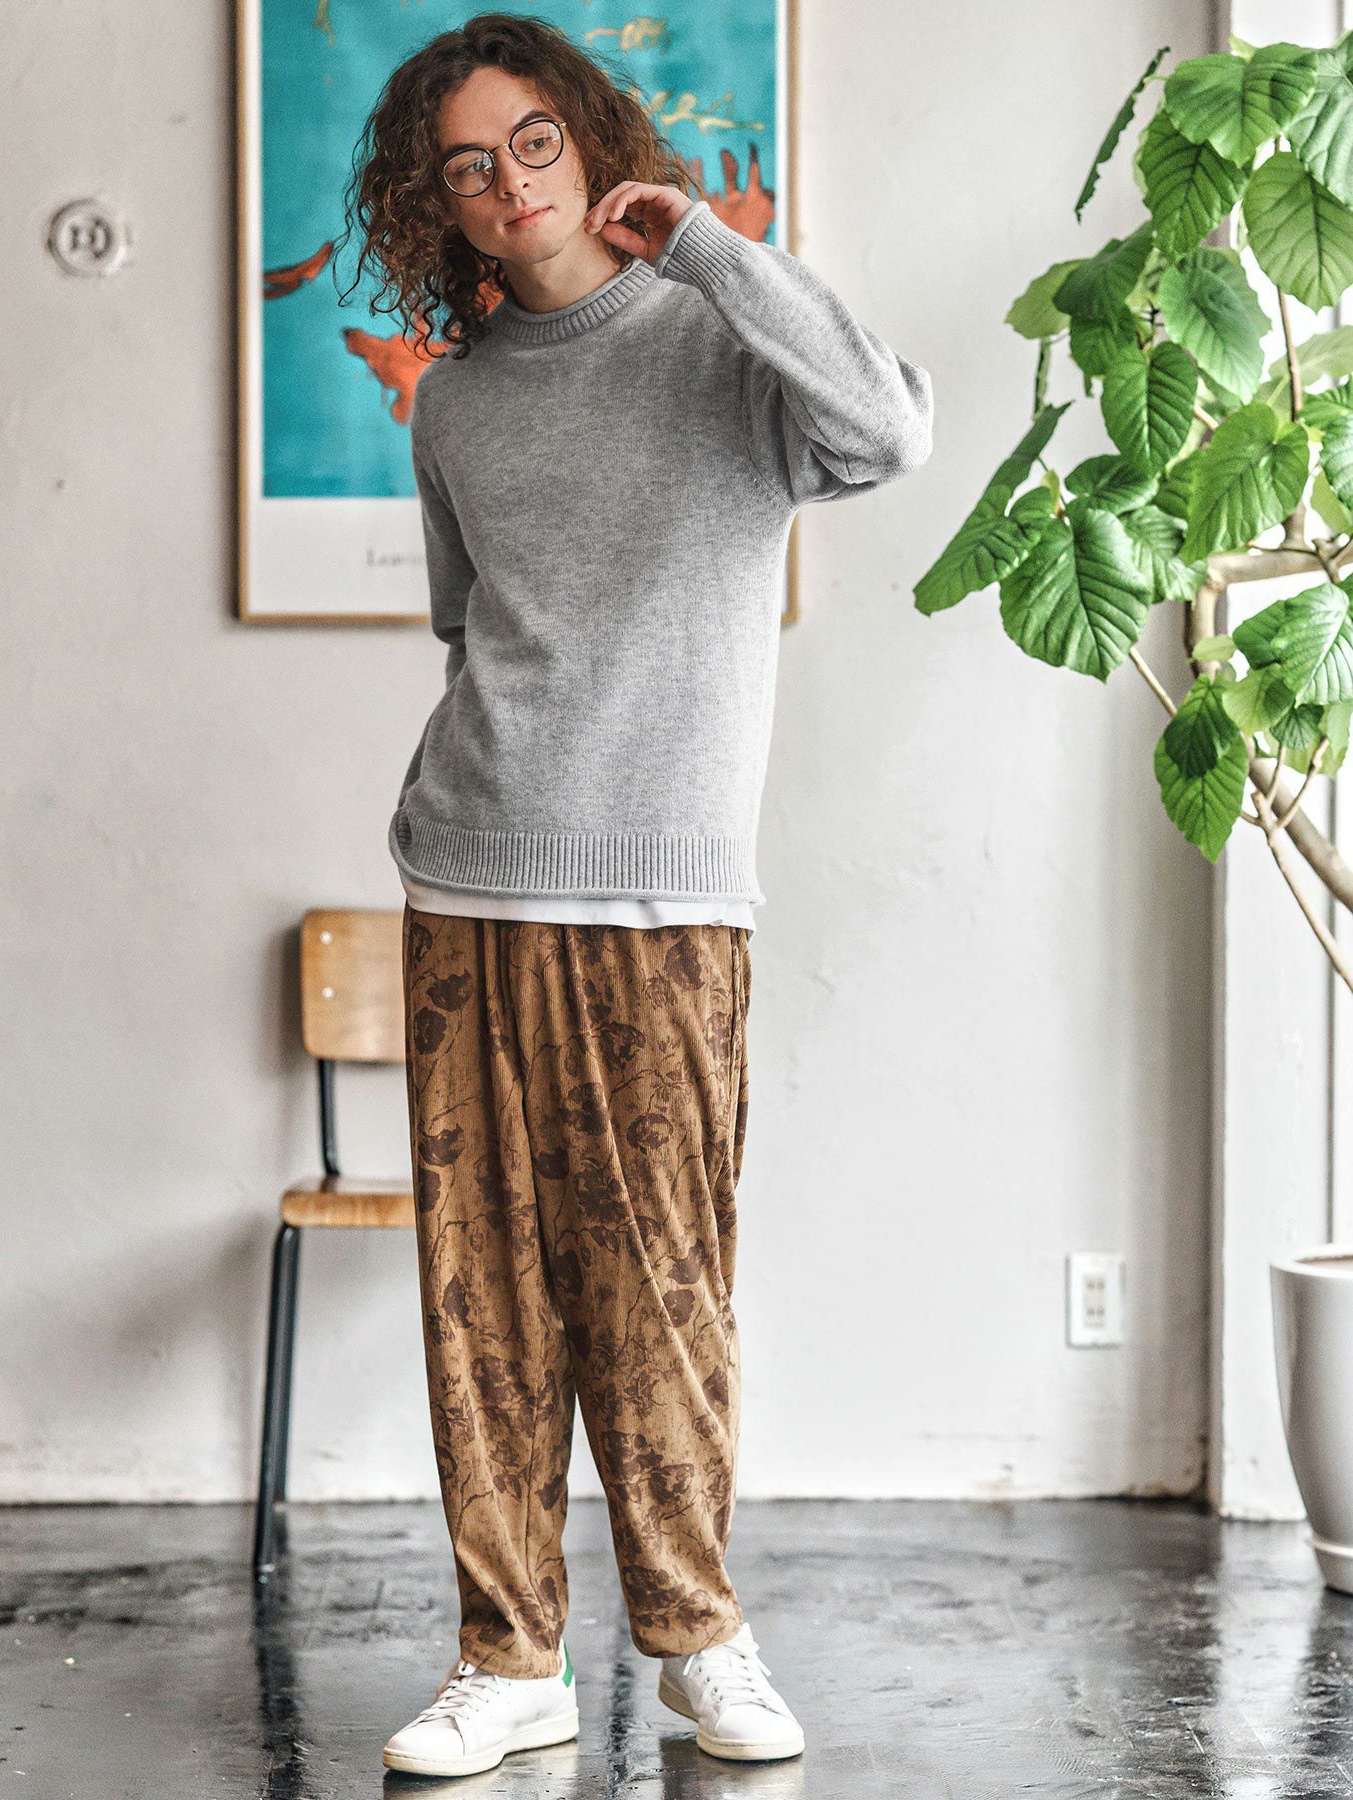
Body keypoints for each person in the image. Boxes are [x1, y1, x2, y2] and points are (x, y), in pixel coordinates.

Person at [338, 10, 933, 1779]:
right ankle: (506, 1659)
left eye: (532, 141)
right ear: (438, 207)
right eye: (466, 167)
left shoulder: (720, 343)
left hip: (667, 903)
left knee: (662, 1289)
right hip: (467, 878)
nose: (507, 183)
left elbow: (889, 432)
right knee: (483, 1304)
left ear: (590, 140)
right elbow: (471, 629)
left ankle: (698, 1638)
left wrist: (717, 251)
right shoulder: (453, 401)